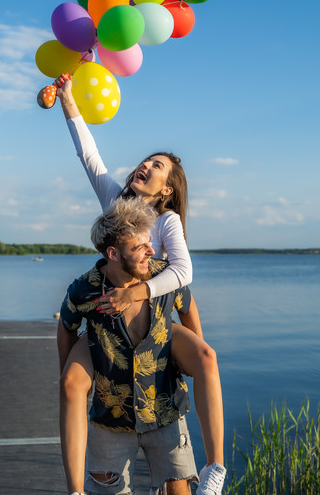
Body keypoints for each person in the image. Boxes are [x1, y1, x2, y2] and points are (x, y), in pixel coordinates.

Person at [56, 76, 226, 495]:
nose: (145, 166)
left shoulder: (166, 222)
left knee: (205, 356)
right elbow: (89, 156)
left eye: (157, 166)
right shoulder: (116, 205)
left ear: (166, 189)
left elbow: (183, 276)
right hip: (111, 326)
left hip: (153, 323)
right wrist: (68, 100)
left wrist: (135, 292)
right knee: (73, 383)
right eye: (146, 160)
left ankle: (216, 468)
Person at [58, 197, 198, 495]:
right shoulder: (86, 288)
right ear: (113, 253)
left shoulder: (164, 276)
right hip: (110, 420)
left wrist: (194, 353)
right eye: (140, 247)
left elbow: (187, 305)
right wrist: (67, 372)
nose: (151, 250)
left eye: (150, 242)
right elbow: (67, 325)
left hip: (165, 413)